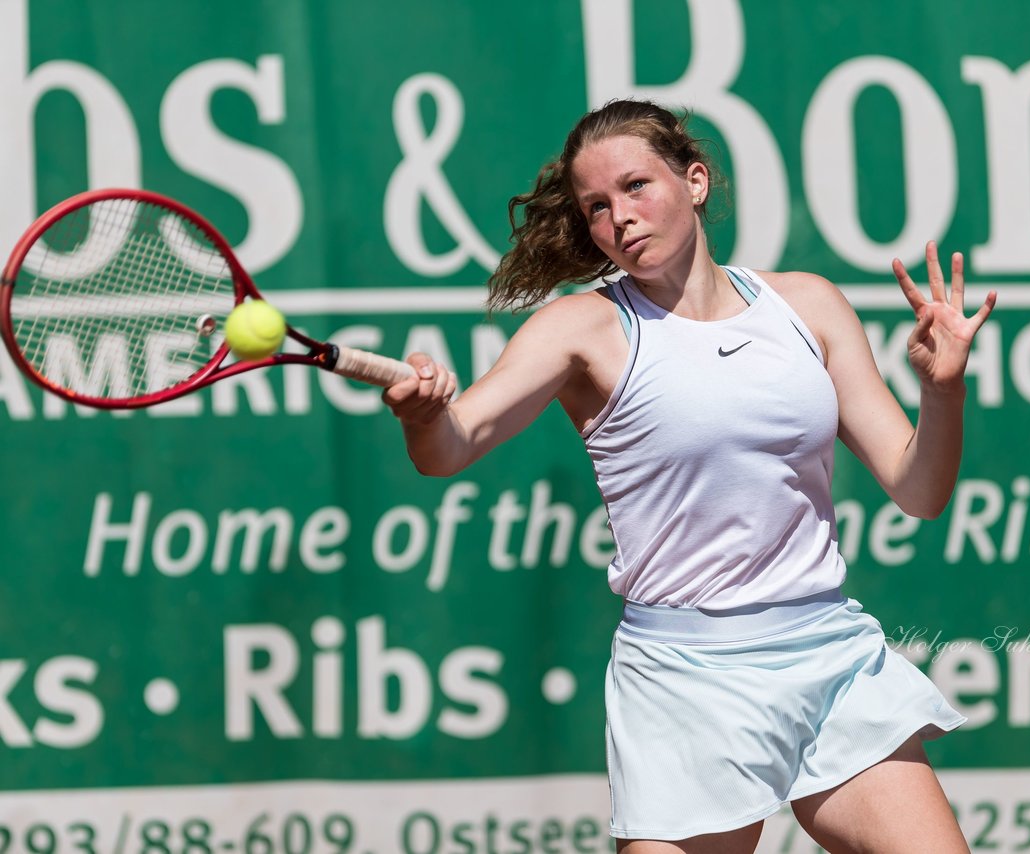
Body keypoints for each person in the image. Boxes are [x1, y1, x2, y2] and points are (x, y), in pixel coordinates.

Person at [382, 99, 995, 853]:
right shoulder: (583, 330)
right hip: (682, 681)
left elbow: (919, 489)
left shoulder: (808, 305)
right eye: (597, 207)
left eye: (638, 186)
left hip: (826, 656)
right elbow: (450, 445)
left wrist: (943, 391)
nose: (621, 218)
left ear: (695, 181)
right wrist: (421, 417)